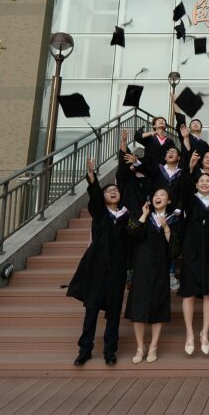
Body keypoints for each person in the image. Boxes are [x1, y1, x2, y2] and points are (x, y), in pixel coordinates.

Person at [67, 157, 130, 366]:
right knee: (92, 309)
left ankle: (110, 351)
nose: (113, 192)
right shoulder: (100, 213)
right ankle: (85, 349)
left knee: (113, 310)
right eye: (108, 191)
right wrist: (92, 177)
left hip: (117, 269)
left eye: (116, 191)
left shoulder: (125, 216)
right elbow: (94, 197)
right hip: (97, 267)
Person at [125, 185, 178, 363]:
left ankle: (154, 346)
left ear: (168, 201)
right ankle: (140, 347)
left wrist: (165, 227)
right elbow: (131, 232)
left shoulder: (173, 219)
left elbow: (175, 249)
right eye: (155, 194)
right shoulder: (141, 216)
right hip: (141, 269)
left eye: (162, 195)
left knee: (158, 306)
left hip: (160, 269)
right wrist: (144, 215)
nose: (158, 197)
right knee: (138, 307)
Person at [178, 170, 209, 357]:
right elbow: (183, 187)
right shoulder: (190, 201)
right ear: (196, 185)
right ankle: (190, 333)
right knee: (189, 293)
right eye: (201, 181)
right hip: (191, 251)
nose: (205, 183)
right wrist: (190, 169)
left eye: (208, 181)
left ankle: (204, 333)